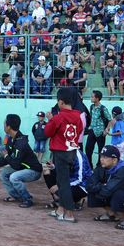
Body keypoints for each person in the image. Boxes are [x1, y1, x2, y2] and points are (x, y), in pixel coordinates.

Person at [44, 87, 85, 222]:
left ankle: (69, 214)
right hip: (71, 151)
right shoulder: (78, 116)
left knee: (64, 183)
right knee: (62, 181)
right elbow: (78, 132)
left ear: (61, 102)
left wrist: (50, 120)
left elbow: (48, 133)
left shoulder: (58, 117)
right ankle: (61, 210)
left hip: (60, 152)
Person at [0, 114, 42, 208]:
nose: (3, 126)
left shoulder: (21, 143)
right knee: (3, 173)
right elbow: (7, 157)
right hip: (22, 167)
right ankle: (16, 196)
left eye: (4, 124)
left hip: (34, 171)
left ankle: (27, 199)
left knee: (13, 177)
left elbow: (13, 163)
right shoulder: (11, 138)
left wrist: (6, 155)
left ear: (8, 127)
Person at [86, 90, 111, 167]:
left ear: (97, 98)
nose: (91, 98)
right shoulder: (91, 107)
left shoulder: (103, 108)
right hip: (92, 131)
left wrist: (106, 130)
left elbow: (110, 120)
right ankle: (89, 165)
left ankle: (99, 166)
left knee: (101, 151)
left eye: (92, 97)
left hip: (100, 133)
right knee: (88, 149)